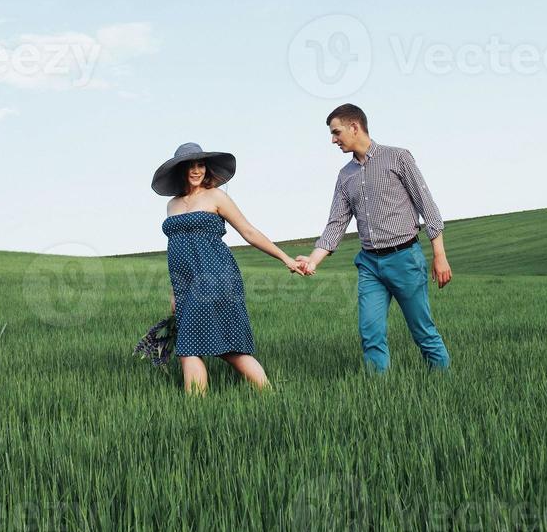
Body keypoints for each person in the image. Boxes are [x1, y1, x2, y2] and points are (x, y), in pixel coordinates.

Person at [295, 104, 453, 372]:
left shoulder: (398, 158)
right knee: (371, 335)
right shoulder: (345, 176)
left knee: (423, 333)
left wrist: (439, 255)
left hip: (405, 259)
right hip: (370, 264)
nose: (333, 140)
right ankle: (377, 395)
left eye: (336, 132)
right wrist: (313, 261)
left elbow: (428, 206)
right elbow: (336, 223)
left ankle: (447, 390)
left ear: (354, 127)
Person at [152, 142, 305, 394]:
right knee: (194, 347)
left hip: (216, 277)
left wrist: (286, 259)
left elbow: (248, 231)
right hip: (186, 284)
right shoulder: (172, 205)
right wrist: (174, 291)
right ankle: (205, 408)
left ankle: (267, 395)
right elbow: (176, 252)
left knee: (208, 346)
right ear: (180, 170)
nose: (196, 170)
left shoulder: (216, 196)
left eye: (200, 164)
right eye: (190, 166)